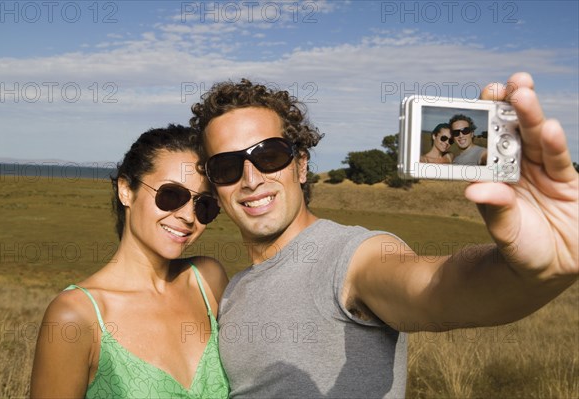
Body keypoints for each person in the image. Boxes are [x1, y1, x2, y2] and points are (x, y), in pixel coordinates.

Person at [190, 72, 578, 398]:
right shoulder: (235, 289)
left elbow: (437, 288)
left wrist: (528, 272)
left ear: (301, 165)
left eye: (269, 156)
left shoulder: (353, 256)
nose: (251, 179)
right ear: (214, 186)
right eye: (227, 166)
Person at [30, 125, 230, 399]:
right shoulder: (75, 317)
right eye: (172, 195)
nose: (187, 216)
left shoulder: (208, 280)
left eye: (204, 205)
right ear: (126, 190)